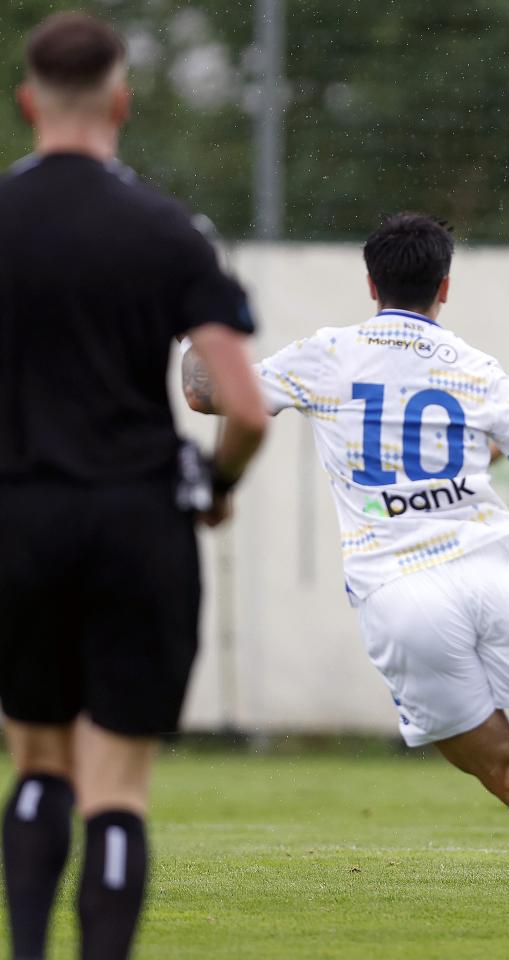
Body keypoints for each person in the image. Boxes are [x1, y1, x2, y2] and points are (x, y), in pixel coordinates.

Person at [183, 213, 509, 934]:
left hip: (400, 597)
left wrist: (195, 311)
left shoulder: (329, 354)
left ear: (370, 282)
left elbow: (207, 393)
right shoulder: (473, 365)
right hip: (490, 574)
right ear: (445, 286)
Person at [0, 13, 268, 960]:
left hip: (20, 520)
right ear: (121, 100)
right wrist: (215, 486)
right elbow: (244, 405)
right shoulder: (167, 231)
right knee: (116, 782)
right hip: (137, 522)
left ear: (29, 101)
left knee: (37, 760)